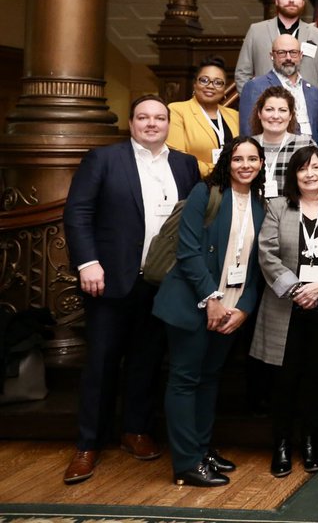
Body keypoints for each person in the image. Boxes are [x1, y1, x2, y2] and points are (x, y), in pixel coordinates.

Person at [62, 96, 201, 485]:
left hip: (163, 284)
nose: (152, 124)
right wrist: (88, 262)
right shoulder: (104, 159)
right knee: (102, 363)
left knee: (148, 360)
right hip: (110, 279)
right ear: (131, 122)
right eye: (144, 117)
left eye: (159, 117)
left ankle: (135, 430)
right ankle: (88, 444)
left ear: (169, 123)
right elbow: (78, 212)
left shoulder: (184, 164)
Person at [153, 136, 266, 487]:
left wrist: (243, 309)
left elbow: (257, 265)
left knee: (209, 378)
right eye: (238, 159)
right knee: (185, 380)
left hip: (230, 311)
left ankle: (201, 450)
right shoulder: (206, 193)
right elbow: (187, 251)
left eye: (252, 159)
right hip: (194, 305)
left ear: (262, 164)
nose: (245, 165)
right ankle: (186, 462)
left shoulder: (262, 204)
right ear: (226, 163)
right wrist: (211, 299)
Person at [252, 146, 318, 477]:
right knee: (283, 380)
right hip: (285, 306)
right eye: (302, 169)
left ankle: (310, 442)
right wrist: (297, 289)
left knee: (317, 379)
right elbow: (266, 253)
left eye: (316, 169)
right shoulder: (278, 207)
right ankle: (281, 445)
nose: (310, 174)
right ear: (293, 175)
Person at [234, 0, 318, 107]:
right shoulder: (256, 31)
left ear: (303, 2)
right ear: (276, 0)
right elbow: (242, 73)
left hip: (306, 113)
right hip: (266, 113)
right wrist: (254, 106)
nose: (291, 0)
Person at [239, 34, 318, 138]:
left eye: (293, 52)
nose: (288, 58)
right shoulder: (254, 87)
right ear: (272, 56)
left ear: (301, 55)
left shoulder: (313, 91)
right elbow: (248, 131)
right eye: (282, 53)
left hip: (311, 151)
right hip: (273, 152)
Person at [167, 57, 239, 178]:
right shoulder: (177, 111)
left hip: (232, 186)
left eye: (218, 82)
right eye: (204, 80)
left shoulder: (234, 115)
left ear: (224, 89)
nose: (210, 86)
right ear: (195, 84)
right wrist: (220, 172)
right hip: (195, 186)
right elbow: (178, 157)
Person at [250, 86, 313, 199]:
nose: (275, 116)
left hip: (292, 212)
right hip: (253, 213)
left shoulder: (305, 144)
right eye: (269, 109)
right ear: (259, 113)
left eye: (282, 110)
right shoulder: (248, 145)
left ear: (290, 116)